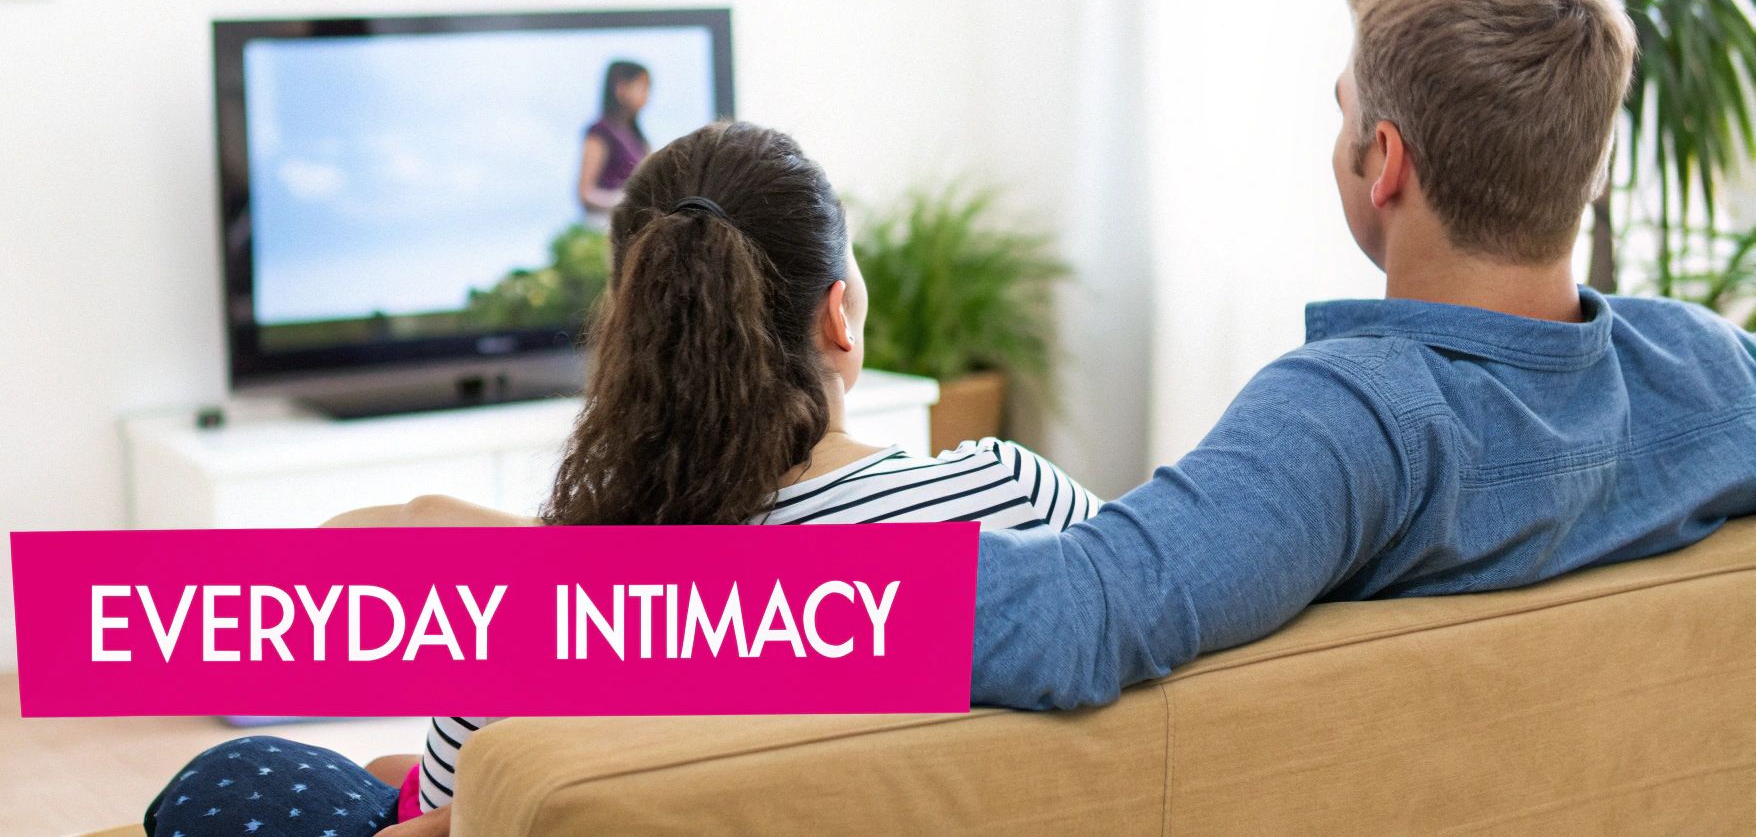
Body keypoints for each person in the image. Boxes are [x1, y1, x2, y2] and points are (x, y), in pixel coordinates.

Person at [145, 122, 1102, 836]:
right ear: (839, 316)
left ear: (632, 333)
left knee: (252, 775)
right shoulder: (1022, 501)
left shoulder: (543, 620)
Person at [971, 0, 1756, 711]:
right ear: (1594, 161)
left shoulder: (1359, 419)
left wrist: (843, 568)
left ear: (1386, 161)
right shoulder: (1709, 364)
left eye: (1342, 112)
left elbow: (1074, 617)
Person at [576, 59, 652, 226]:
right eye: (641, 86)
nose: (647, 95)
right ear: (621, 88)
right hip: (605, 226)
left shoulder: (637, 137)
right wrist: (622, 201)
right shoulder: (600, 132)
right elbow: (585, 192)